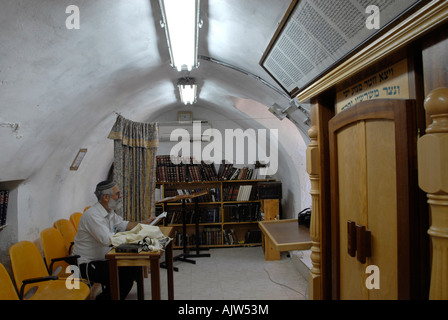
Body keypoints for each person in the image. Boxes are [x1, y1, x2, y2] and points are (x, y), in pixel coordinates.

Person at [72, 180, 155, 300]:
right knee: (124, 277)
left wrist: (144, 223)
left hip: (103, 258)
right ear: (106, 197)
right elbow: (107, 240)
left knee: (132, 266)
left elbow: (124, 225)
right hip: (87, 264)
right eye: (117, 194)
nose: (120, 196)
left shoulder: (109, 211)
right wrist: (134, 238)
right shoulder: (93, 216)